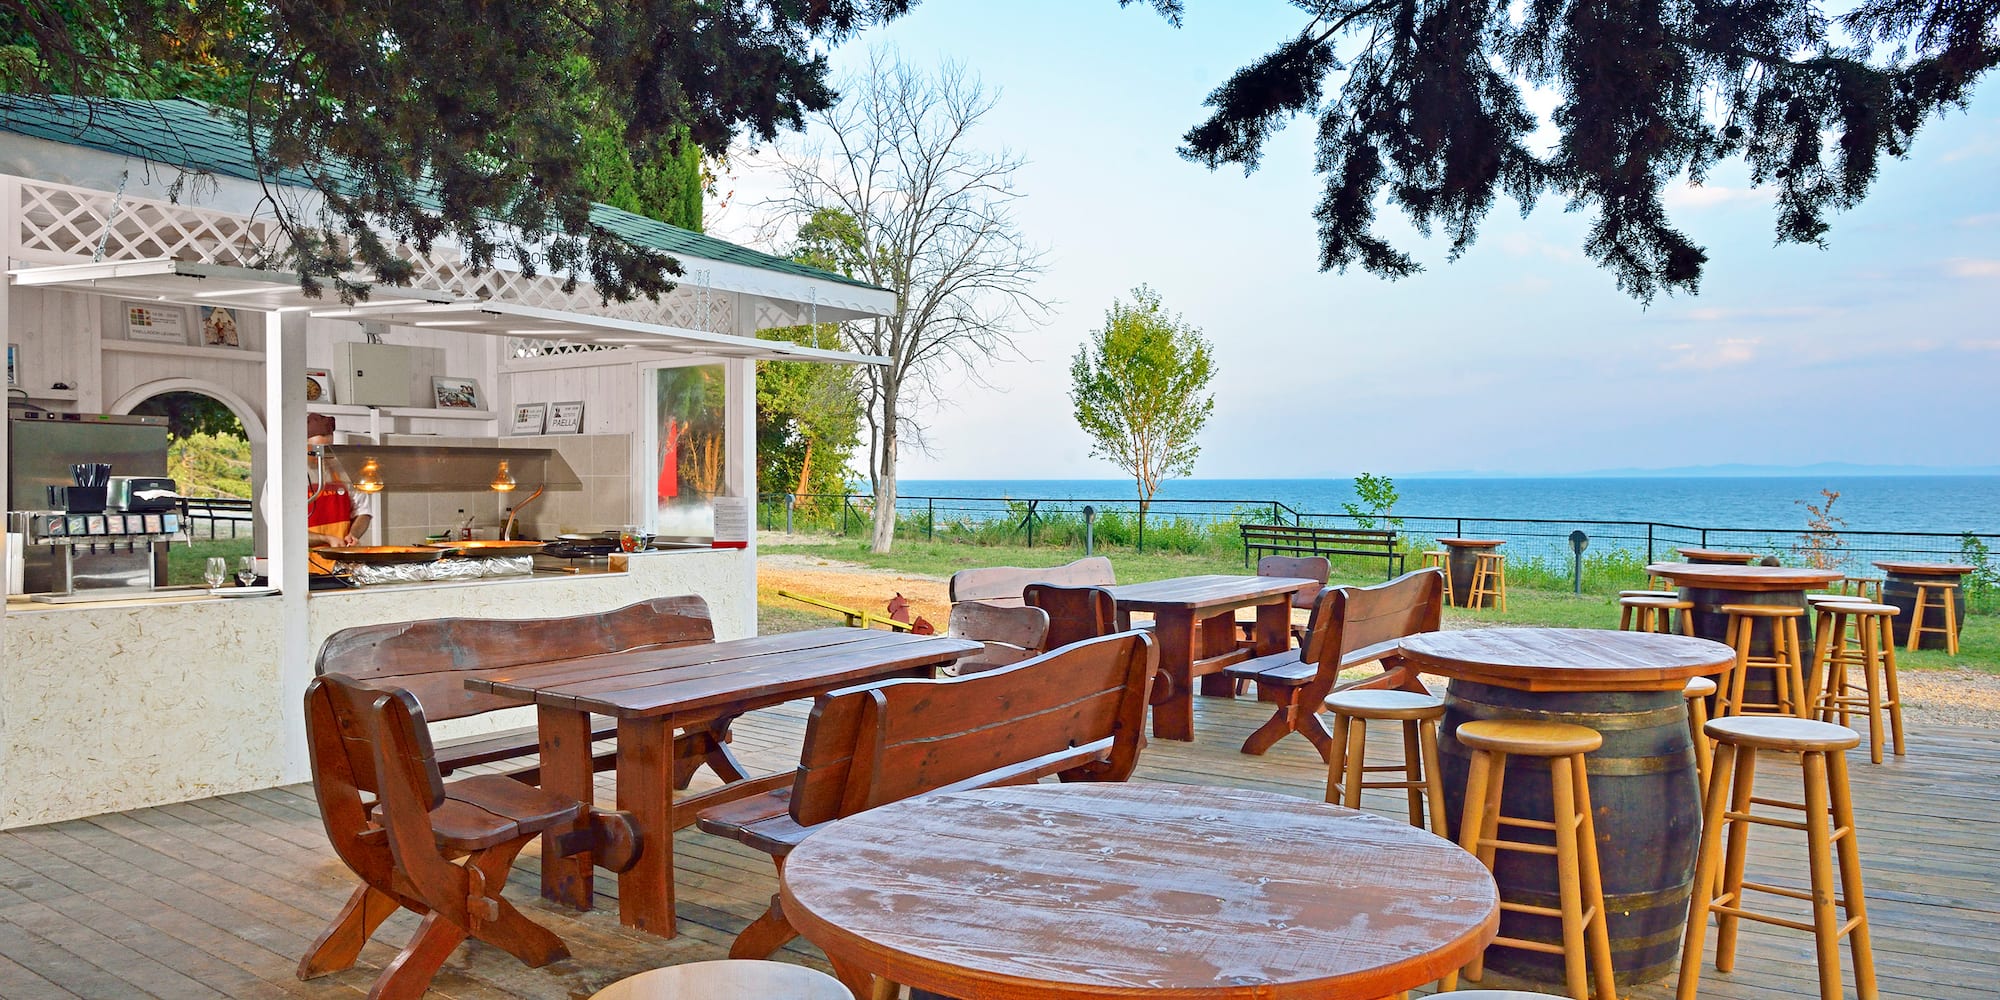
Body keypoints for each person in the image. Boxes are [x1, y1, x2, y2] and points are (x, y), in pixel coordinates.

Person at [306, 413, 372, 547]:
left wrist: (353, 534)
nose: (323, 456)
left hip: (340, 561)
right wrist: (326, 539)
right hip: (304, 563)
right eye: (316, 450)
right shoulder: (288, 477)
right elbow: (284, 529)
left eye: (328, 449)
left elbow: (363, 513)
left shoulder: (345, 472)